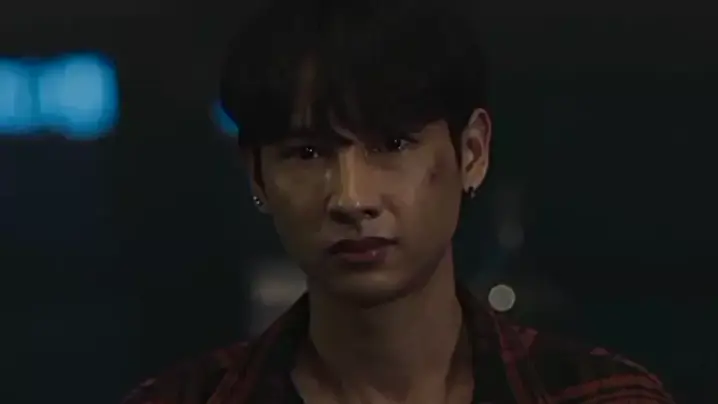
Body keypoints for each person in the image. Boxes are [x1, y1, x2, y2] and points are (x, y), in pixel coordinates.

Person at [122, 0, 675, 402]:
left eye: (392, 144)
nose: (351, 198)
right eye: (307, 152)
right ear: (258, 175)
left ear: (472, 153)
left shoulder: (601, 396)